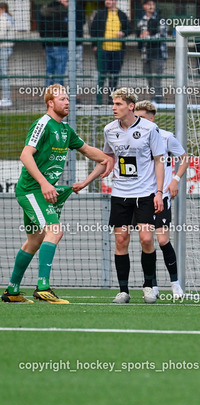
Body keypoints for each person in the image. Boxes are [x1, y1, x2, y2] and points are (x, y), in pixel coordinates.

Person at [2, 84, 113, 303]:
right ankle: (43, 287)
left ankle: (12, 291)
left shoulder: (66, 130)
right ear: (50, 103)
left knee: (34, 241)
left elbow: (89, 151)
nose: (67, 102)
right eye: (62, 99)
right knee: (55, 231)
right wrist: (44, 184)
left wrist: (108, 158)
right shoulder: (42, 124)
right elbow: (25, 155)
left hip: (42, 191)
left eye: (68, 99)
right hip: (32, 190)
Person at [82, 88, 165, 304]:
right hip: (120, 194)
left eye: (118, 104)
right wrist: (85, 182)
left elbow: (159, 161)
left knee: (147, 239)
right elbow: (107, 158)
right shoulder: (109, 130)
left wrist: (159, 192)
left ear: (130, 106)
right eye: (113, 103)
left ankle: (148, 286)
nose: (113, 107)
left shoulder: (150, 128)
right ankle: (123, 290)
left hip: (145, 193)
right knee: (121, 240)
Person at [132, 101, 188, 299]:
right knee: (145, 241)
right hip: (140, 197)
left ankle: (175, 284)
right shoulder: (133, 137)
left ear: (152, 118)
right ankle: (152, 285)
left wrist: (175, 180)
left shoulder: (165, 137)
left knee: (163, 240)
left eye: (143, 117)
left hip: (161, 196)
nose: (139, 121)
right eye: (136, 117)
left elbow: (184, 158)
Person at [90, 0, 131, 104]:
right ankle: (98, 101)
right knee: (101, 76)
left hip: (118, 50)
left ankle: (111, 101)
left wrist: (123, 33)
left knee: (114, 77)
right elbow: (93, 30)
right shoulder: (100, 14)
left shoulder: (122, 15)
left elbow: (129, 29)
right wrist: (94, 45)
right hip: (103, 50)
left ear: (115, 1)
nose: (107, 1)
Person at [136, 0, 167, 104]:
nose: (151, 6)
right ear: (144, 6)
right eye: (149, 4)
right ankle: (153, 98)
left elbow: (162, 36)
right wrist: (141, 37)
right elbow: (138, 36)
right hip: (146, 54)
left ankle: (158, 100)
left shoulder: (160, 19)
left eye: (153, 4)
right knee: (149, 78)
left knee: (156, 78)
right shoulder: (141, 21)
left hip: (158, 54)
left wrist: (148, 37)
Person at [39, 0, 69, 86]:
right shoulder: (63, 11)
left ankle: (49, 96)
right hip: (61, 44)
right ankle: (58, 97)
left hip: (48, 44)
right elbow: (65, 29)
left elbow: (41, 30)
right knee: (59, 73)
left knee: (49, 72)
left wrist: (44, 46)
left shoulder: (45, 10)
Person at [0, 1, 15, 107]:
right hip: (5, 49)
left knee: (3, 74)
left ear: (3, 9)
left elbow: (1, 34)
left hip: (3, 49)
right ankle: (5, 98)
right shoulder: (6, 17)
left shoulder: (4, 19)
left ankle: (6, 98)